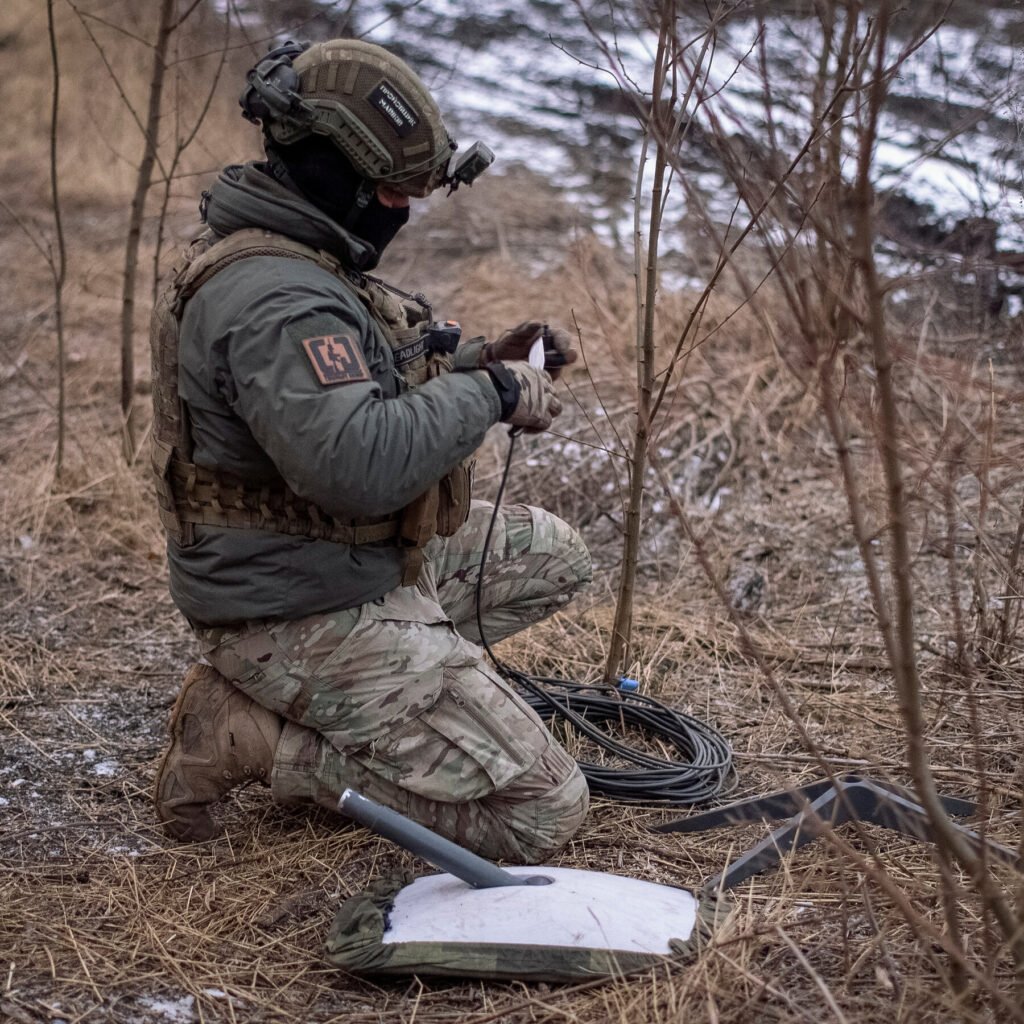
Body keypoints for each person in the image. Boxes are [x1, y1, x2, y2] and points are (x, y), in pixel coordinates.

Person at [150, 38, 592, 864]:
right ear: (332, 171)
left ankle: (389, 696)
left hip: (341, 564)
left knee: (555, 555)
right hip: (288, 606)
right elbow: (354, 465)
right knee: (542, 809)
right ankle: (252, 735)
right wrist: (490, 395)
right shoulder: (277, 298)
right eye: (390, 192)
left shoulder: (302, 254)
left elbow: (360, 384)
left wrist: (480, 361)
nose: (401, 212)